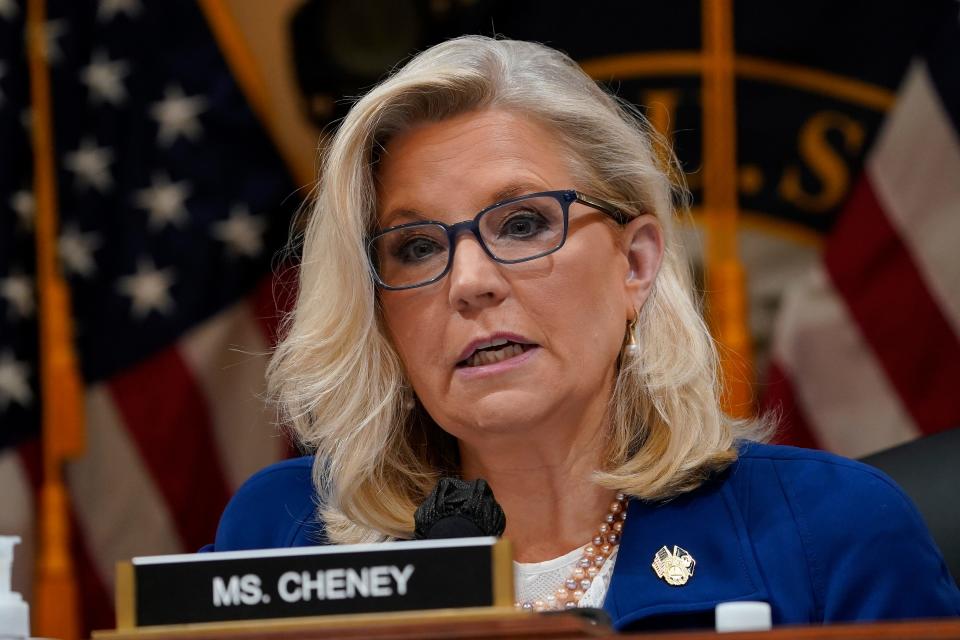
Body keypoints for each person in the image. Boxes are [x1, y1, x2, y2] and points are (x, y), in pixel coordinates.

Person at [206, 36, 960, 630]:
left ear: (635, 263)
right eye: (417, 247)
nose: (469, 281)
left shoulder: (829, 533)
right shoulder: (282, 536)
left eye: (525, 223)